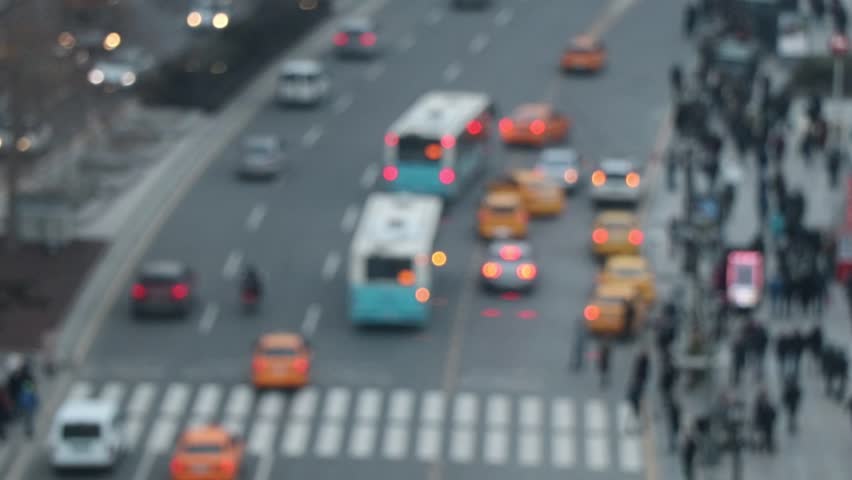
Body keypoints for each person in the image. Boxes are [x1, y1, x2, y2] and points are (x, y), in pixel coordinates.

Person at [753, 389, 778, 453]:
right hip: (762, 423)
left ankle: (769, 447)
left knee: (769, 436)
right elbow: (757, 414)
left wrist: (773, 419)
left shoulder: (769, 403)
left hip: (769, 423)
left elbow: (773, 412)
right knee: (762, 436)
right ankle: (762, 447)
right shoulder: (758, 404)